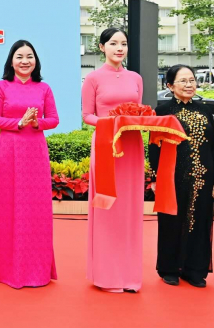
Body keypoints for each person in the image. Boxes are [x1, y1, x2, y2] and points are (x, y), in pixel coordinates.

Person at [0, 40, 59, 289]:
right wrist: (18, 122)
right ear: (11, 61)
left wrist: (37, 122)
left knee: (35, 209)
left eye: (30, 56)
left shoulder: (44, 88)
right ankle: (8, 269)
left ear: (35, 61)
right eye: (19, 56)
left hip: (35, 152)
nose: (25, 61)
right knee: (9, 206)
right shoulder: (1, 86)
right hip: (9, 150)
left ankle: (36, 270)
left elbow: (54, 119)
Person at [81, 28, 144, 293]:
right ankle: (107, 276)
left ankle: (130, 276)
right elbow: (87, 115)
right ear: (102, 47)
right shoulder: (93, 78)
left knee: (130, 208)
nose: (119, 48)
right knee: (108, 207)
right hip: (107, 144)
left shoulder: (136, 78)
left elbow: (139, 111)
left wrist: (133, 121)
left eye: (124, 44)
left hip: (131, 146)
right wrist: (112, 123)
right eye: (113, 43)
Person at [149, 64, 214, 288]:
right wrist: (156, 177)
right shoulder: (162, 111)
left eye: (192, 80)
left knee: (200, 221)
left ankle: (195, 269)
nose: (189, 85)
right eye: (183, 81)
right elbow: (154, 146)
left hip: (204, 177)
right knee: (172, 220)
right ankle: (170, 268)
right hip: (173, 176)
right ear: (170, 85)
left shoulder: (206, 110)